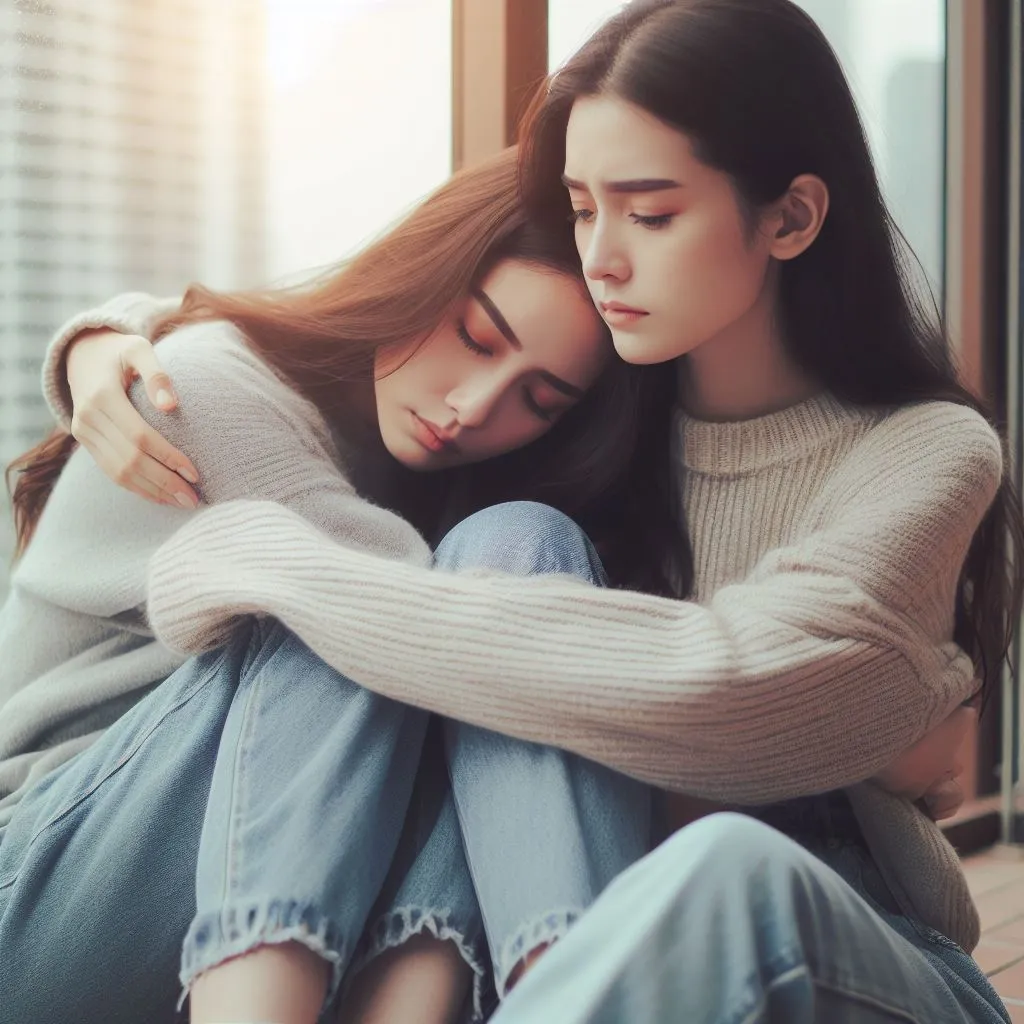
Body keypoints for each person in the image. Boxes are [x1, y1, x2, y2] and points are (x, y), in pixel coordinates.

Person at [61, 1, 1024, 1021]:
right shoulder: (586, 434)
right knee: (495, 558)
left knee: (728, 872)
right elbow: (312, 343)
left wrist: (274, 564)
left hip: (846, 946)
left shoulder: (924, 448)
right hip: (615, 963)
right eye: (580, 207)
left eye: (649, 214)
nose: (601, 258)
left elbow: (727, 695)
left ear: (788, 217)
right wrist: (108, 337)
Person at [0, 147, 669, 1024]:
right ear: (421, 277)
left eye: (537, 400)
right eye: (476, 337)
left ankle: (553, 998)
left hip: (224, 876)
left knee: (517, 543)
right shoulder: (201, 386)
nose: (474, 407)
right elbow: (409, 624)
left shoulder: (411, 478)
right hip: (46, 883)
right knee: (343, 609)